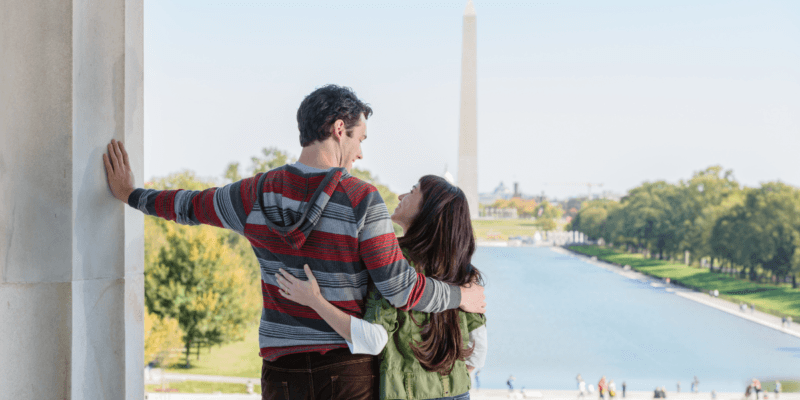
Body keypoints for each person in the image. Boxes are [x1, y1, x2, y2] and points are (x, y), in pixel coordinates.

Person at [102, 85, 486, 400]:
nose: (361, 152)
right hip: (348, 370)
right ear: (339, 129)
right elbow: (400, 288)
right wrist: (459, 297)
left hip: (281, 373)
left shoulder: (252, 194)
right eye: (360, 138)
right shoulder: (361, 199)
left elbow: (188, 205)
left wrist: (130, 194)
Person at [277, 175, 487, 399]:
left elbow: (374, 340)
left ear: (428, 209)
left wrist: (315, 301)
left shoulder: (393, 264)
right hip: (457, 391)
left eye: (412, 191)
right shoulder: (463, 271)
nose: (401, 196)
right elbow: (478, 352)